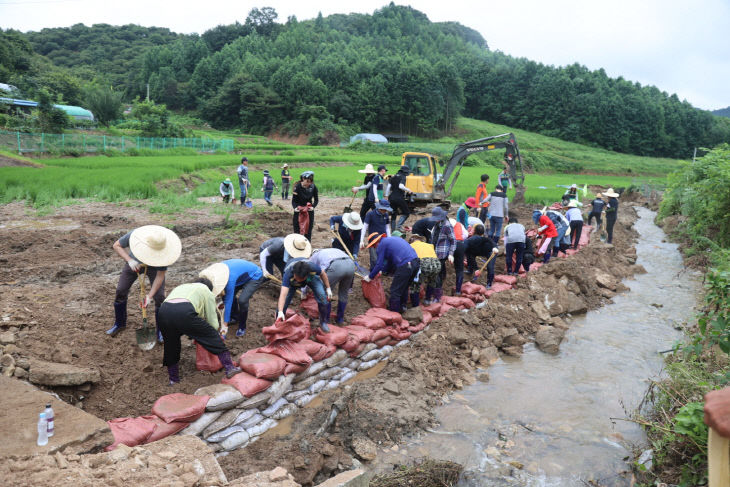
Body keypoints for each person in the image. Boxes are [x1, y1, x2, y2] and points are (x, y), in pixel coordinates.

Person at [158, 277, 242, 385]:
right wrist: (214, 335)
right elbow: (213, 322)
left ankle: (173, 379)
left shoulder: (183, 286)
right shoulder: (206, 291)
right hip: (184, 311)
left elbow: (189, 317)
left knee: (171, 346)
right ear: (209, 288)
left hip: (163, 312)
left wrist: (195, 333)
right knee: (212, 336)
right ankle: (230, 368)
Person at [107, 225, 182, 342]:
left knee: (160, 297)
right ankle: (119, 323)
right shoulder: (136, 235)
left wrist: (149, 296)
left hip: (154, 267)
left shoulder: (164, 253)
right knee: (121, 290)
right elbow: (116, 245)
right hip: (134, 263)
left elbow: (160, 276)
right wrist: (129, 260)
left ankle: (161, 330)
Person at [199, 260, 267, 338]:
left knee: (242, 300)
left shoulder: (230, 279)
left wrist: (224, 327)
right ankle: (234, 317)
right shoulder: (214, 274)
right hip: (239, 277)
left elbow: (228, 301)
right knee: (225, 296)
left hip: (254, 276)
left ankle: (242, 326)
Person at [364, 234, 420, 312]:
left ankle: (394, 315)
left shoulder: (381, 245)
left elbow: (379, 264)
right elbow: (390, 263)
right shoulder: (391, 241)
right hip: (416, 262)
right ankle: (402, 308)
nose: (374, 248)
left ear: (376, 242)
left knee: (395, 291)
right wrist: (382, 270)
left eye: (373, 246)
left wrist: (370, 276)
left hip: (405, 264)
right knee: (404, 287)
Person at [276, 258, 332, 332]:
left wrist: (328, 288)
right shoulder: (288, 273)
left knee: (322, 296)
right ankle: (279, 321)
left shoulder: (312, 268)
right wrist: (280, 311)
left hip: (311, 278)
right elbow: (283, 295)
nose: (298, 280)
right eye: (297, 278)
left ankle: (323, 323)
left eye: (301, 279)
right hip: (292, 283)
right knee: (286, 300)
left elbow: (322, 273)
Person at [310, 248, 355, 324]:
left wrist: (304, 291)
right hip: (351, 265)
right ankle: (340, 319)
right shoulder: (332, 250)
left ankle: (325, 320)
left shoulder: (314, 256)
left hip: (337, 267)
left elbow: (309, 272)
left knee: (325, 292)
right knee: (343, 293)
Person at [431, 207, 456, 301]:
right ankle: (440, 284)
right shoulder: (437, 224)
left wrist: (451, 254)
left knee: (436, 273)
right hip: (434, 251)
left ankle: (437, 296)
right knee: (439, 271)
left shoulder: (447, 225)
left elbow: (453, 240)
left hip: (442, 252)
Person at [408, 234, 441, 305]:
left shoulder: (410, 246)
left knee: (414, 285)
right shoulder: (429, 245)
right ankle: (428, 300)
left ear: (411, 240)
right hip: (436, 263)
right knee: (432, 281)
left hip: (424, 262)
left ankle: (415, 307)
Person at [465, 224, 498, 288]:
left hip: (491, 251)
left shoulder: (479, 240)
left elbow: (490, 241)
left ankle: (489, 283)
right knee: (470, 255)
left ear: (474, 231)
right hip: (479, 251)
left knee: (490, 266)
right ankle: (470, 270)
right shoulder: (470, 241)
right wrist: (476, 269)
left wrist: (494, 248)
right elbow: (470, 257)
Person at [361, 199, 392, 266]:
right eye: (384, 209)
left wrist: (390, 239)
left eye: (386, 209)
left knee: (383, 256)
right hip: (373, 240)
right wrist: (361, 240)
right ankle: (373, 272)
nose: (385, 211)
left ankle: (382, 271)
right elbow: (364, 227)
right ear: (379, 208)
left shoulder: (386, 215)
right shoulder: (370, 214)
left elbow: (387, 228)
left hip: (383, 239)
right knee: (374, 259)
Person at [291, 171, 318, 241]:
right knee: (297, 229)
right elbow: (294, 200)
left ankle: (307, 246)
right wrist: (295, 208)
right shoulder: (297, 187)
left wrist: (313, 207)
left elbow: (316, 200)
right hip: (299, 210)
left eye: (310, 182)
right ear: (303, 179)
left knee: (308, 230)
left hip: (309, 210)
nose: (309, 183)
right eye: (307, 181)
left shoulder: (313, 187)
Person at [386, 165, 413, 231]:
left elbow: (388, 188)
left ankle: (393, 230)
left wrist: (386, 196)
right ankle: (399, 226)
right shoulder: (403, 177)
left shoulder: (393, 177)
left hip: (391, 198)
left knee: (393, 213)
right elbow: (400, 186)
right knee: (406, 212)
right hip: (399, 198)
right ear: (405, 172)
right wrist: (408, 189)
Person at [449, 218, 468, 295]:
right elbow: (466, 235)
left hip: (448, 245)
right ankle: (458, 290)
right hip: (459, 244)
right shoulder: (459, 224)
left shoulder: (444, 225)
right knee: (459, 269)